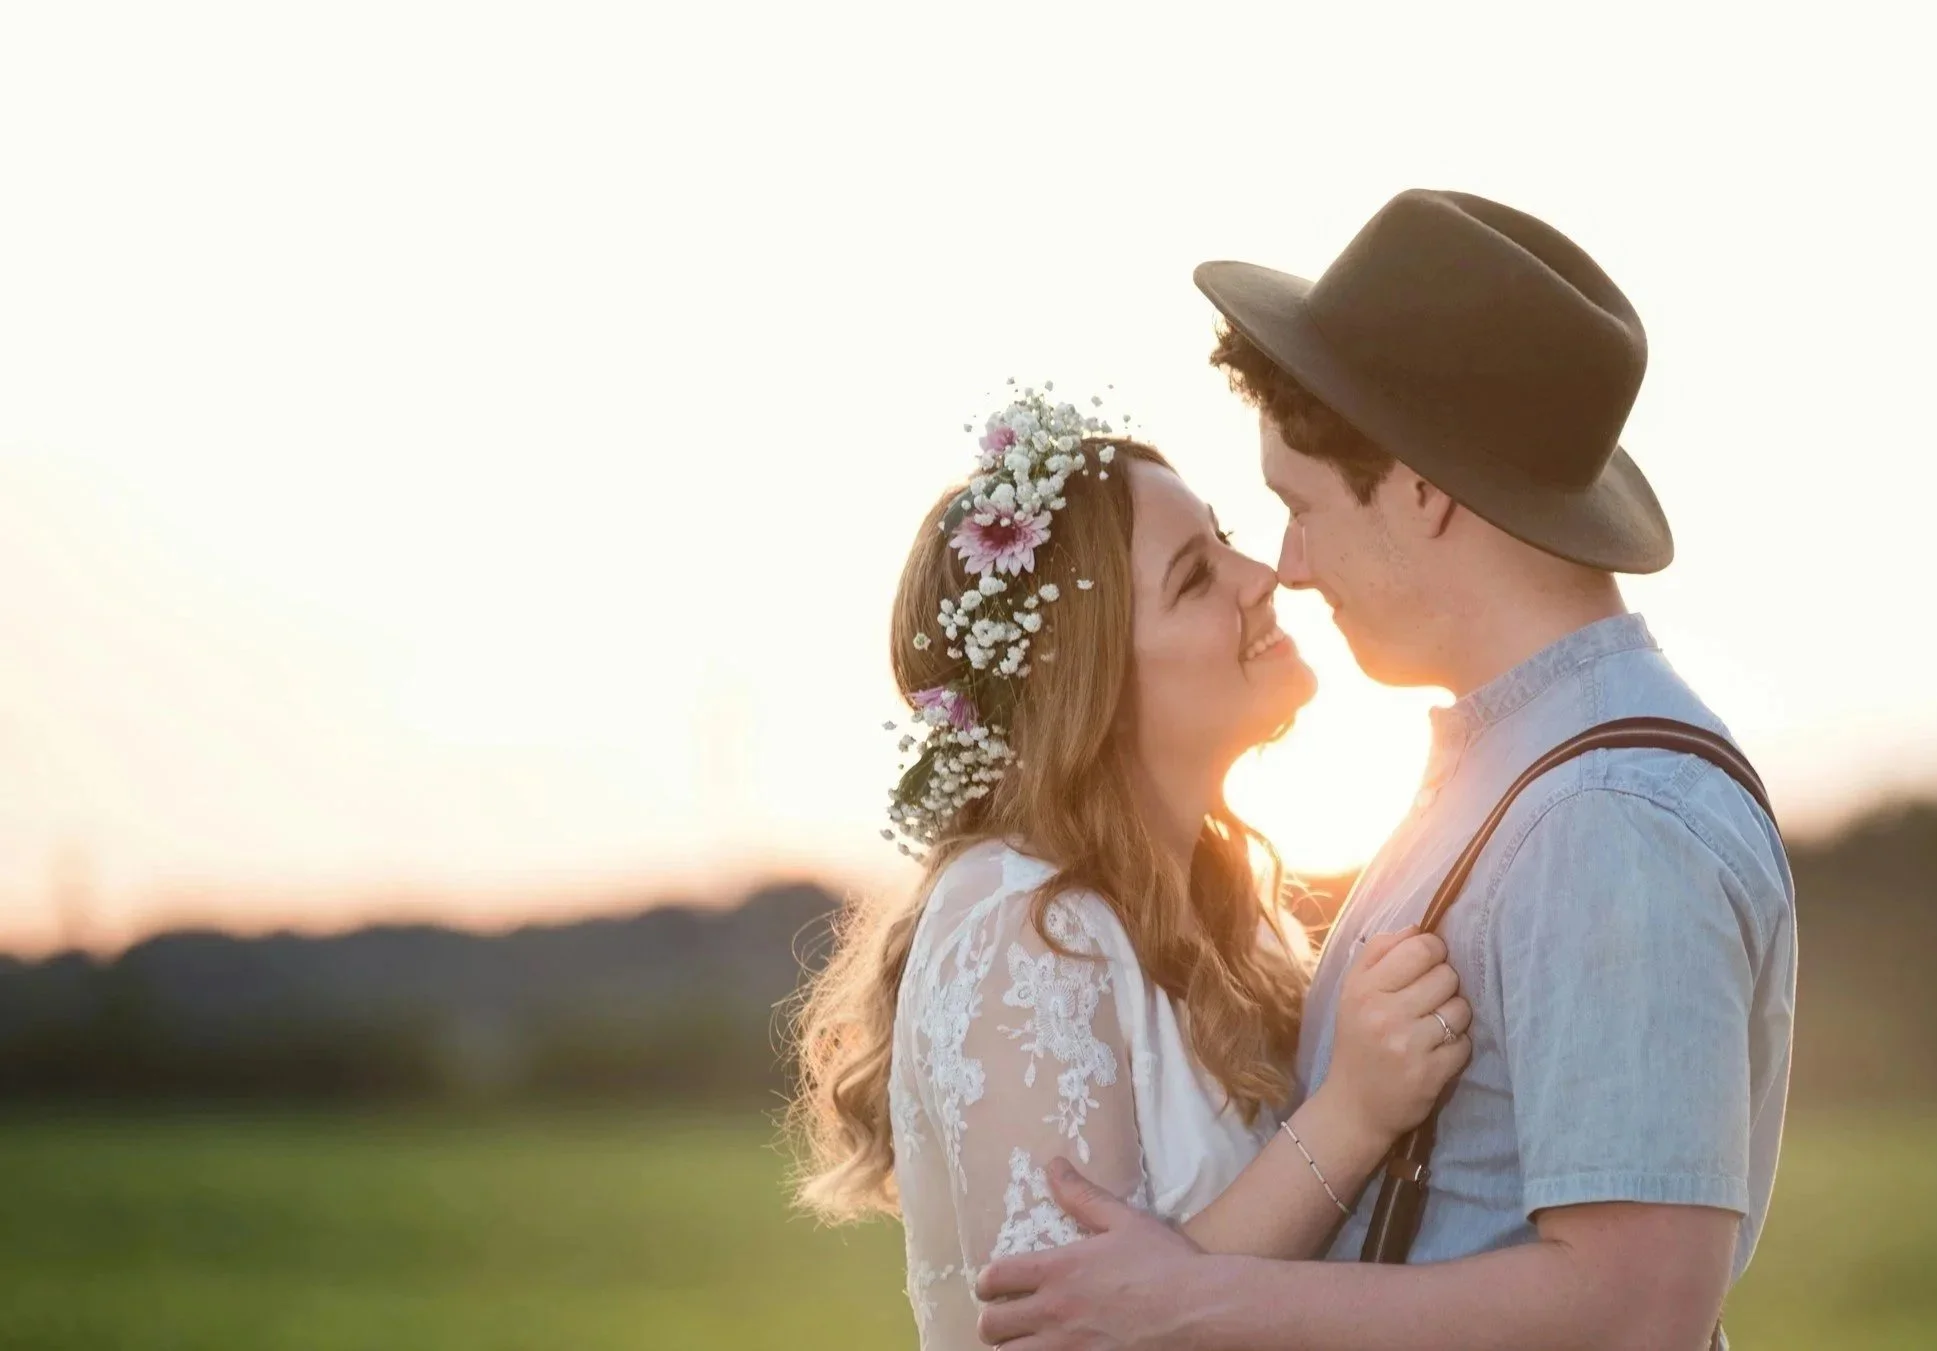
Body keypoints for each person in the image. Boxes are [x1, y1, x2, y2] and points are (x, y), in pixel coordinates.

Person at [971, 190, 1798, 1350]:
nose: (1289, 566)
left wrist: (1184, 1298)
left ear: (1420, 488)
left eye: (1295, 506)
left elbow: (1634, 1309)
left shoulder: (1605, 815)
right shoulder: (1506, 771)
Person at [790, 390, 1478, 1351]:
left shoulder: (1228, 912)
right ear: (1095, 685)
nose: (1259, 575)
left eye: (1224, 537)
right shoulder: (1019, 927)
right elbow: (1071, 1335)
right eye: (1195, 577)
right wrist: (1353, 1116)